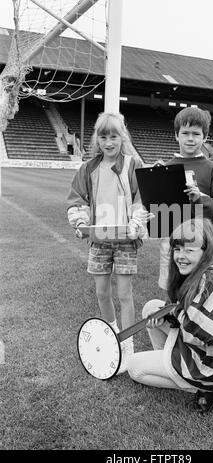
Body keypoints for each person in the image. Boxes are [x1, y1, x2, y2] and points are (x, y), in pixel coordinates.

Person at [127, 218, 213, 413]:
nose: (180, 256)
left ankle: (202, 387)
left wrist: (173, 312)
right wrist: (167, 312)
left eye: (189, 250)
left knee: (134, 368)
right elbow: (185, 311)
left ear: (206, 251)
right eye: (177, 249)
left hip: (209, 367)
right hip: (210, 355)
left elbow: (207, 332)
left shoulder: (212, 279)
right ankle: (166, 359)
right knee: (153, 306)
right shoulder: (212, 270)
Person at [66, 112, 152, 373]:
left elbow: (142, 198)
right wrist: (81, 224)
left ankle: (128, 348)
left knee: (124, 294)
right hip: (100, 239)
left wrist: (136, 224)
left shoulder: (132, 164)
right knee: (102, 292)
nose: (109, 142)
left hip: (125, 239)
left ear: (121, 137)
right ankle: (112, 334)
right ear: (97, 139)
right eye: (103, 136)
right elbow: (76, 199)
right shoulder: (89, 168)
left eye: (114, 136)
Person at [158, 107, 213, 290]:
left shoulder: (212, 168)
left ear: (205, 137)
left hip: (202, 243)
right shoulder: (166, 168)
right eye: (185, 133)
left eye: (196, 134)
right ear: (176, 135)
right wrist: (154, 182)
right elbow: (159, 213)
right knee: (172, 289)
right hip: (173, 242)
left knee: (201, 289)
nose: (190, 138)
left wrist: (201, 198)